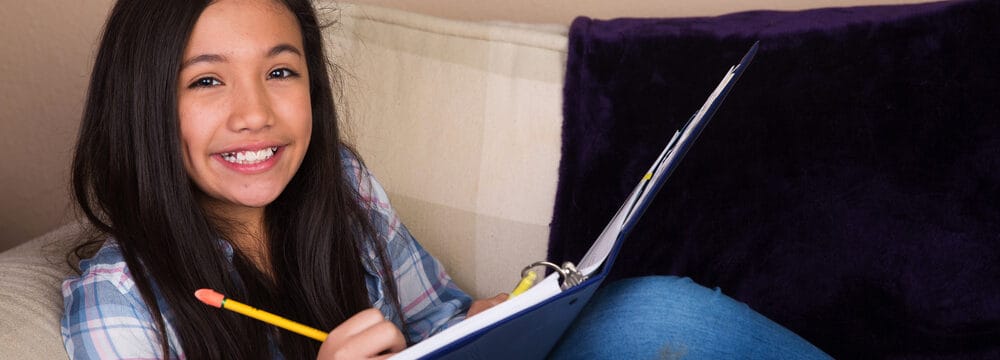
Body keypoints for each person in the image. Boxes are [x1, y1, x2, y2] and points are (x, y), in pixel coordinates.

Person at [61, 0, 831, 359]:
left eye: (281, 71)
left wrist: (507, 315)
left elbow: (441, 320)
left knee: (657, 311)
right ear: (144, 108)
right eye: (206, 82)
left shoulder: (343, 185)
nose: (256, 113)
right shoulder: (119, 298)